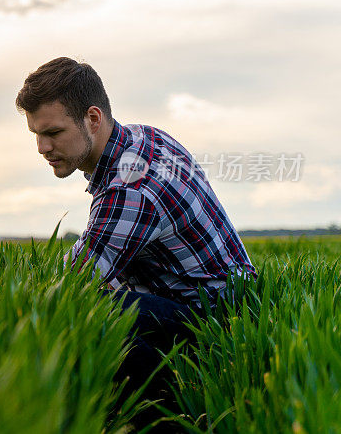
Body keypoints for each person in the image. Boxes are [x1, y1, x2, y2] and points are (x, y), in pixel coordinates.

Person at [15, 56, 257, 430]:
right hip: (229, 300)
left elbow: (70, 289)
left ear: (93, 119)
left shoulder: (130, 190)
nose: (42, 147)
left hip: (217, 321)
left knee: (88, 317)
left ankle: (164, 418)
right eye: (36, 134)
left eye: (54, 132)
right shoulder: (143, 136)